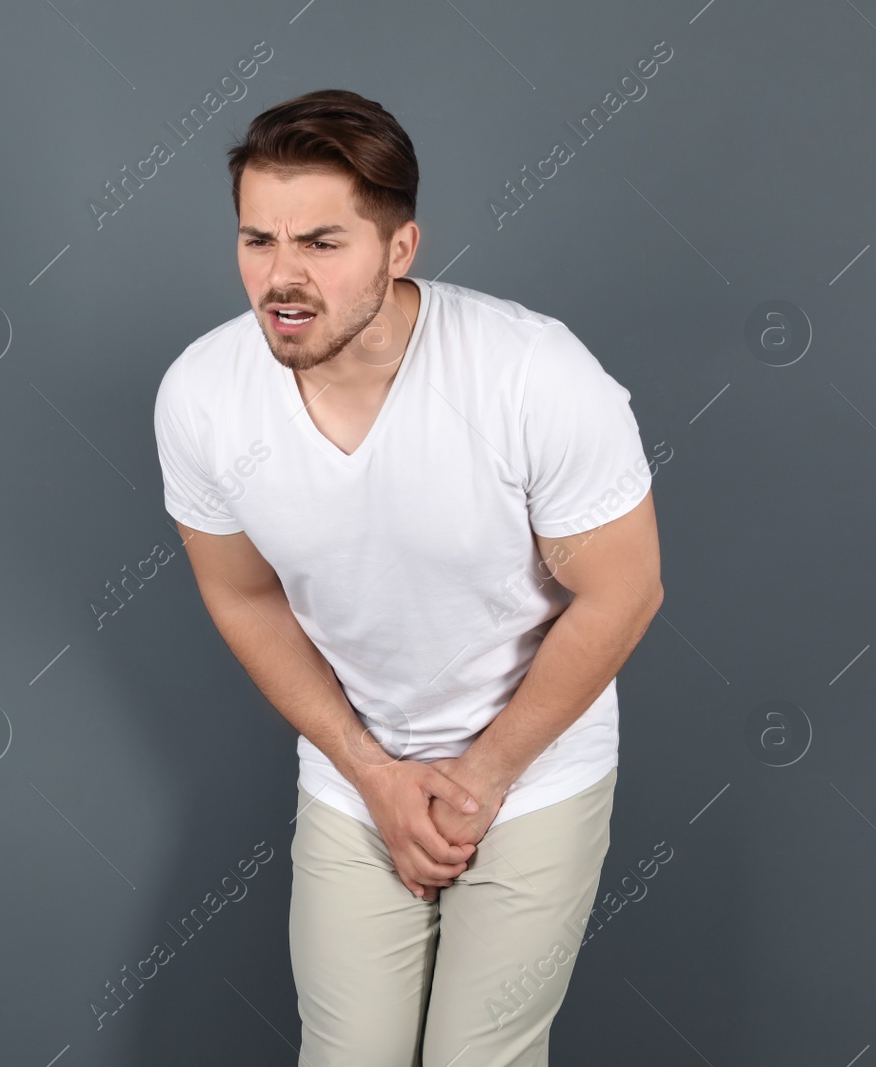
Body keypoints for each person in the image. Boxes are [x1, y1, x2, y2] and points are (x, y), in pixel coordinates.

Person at [152, 89, 665, 1065]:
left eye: (320, 242)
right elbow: (242, 593)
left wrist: (479, 775)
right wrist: (372, 771)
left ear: (399, 248)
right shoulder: (202, 397)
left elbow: (622, 589)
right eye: (256, 239)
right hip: (356, 776)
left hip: (534, 770)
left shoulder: (530, 372)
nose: (281, 277)